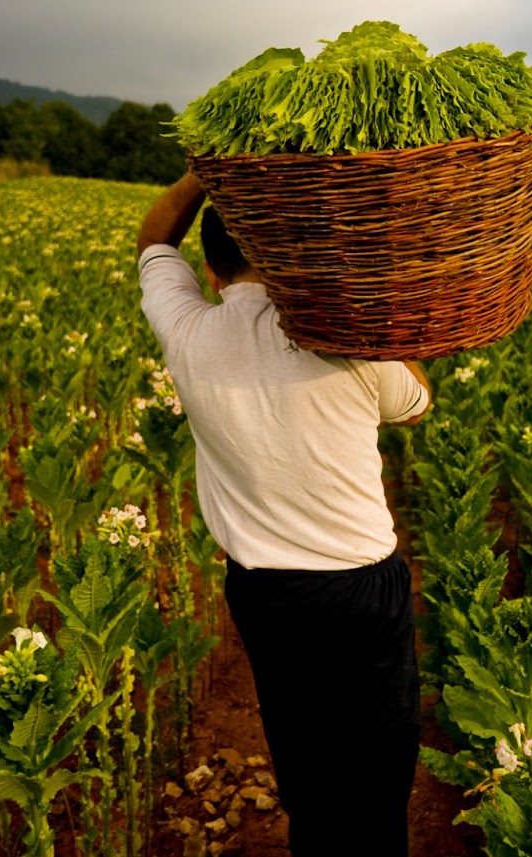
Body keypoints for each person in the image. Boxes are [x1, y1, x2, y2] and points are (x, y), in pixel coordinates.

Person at [135, 171, 431, 856]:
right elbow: (418, 402)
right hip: (360, 588)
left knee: (302, 752)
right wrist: (371, 318)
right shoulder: (346, 339)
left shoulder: (186, 330)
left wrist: (200, 174)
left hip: (265, 591)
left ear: (210, 270)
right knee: (377, 767)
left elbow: (153, 240)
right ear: (292, 255)